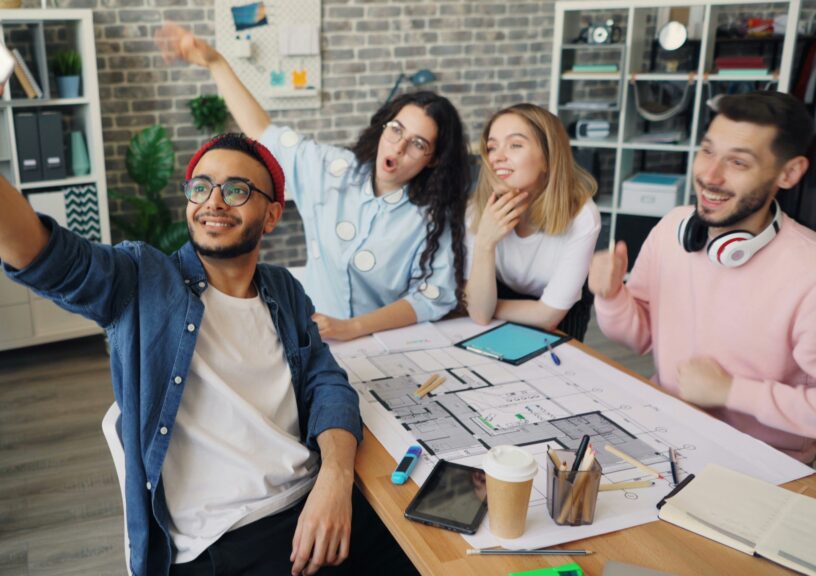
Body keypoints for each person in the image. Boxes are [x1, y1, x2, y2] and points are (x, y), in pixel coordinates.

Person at [0, 29, 418, 576]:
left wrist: (336, 479)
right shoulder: (144, 281)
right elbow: (41, 253)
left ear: (271, 215)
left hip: (315, 499)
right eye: (201, 187)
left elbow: (327, 383)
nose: (213, 201)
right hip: (232, 539)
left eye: (237, 190)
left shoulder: (283, 290)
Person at [157, 24, 471, 342]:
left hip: (387, 346)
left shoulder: (434, 216)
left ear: (433, 158)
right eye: (396, 129)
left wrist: (355, 327)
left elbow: (431, 296)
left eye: (418, 143)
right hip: (315, 338)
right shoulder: (333, 171)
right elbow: (263, 131)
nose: (399, 147)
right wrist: (216, 62)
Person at [588, 90, 816, 463]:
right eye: (707, 151)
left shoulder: (808, 272)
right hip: (665, 425)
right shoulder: (675, 227)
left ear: (789, 173)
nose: (709, 176)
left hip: (762, 459)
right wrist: (612, 296)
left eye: (737, 163)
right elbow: (639, 336)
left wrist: (731, 392)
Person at [465, 103, 601, 340]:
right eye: (492, 147)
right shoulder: (475, 210)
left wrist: (487, 305)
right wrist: (485, 242)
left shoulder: (582, 217)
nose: (498, 157)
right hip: (501, 304)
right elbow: (478, 315)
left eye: (515, 145)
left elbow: (548, 317)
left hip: (561, 315)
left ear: (548, 158)